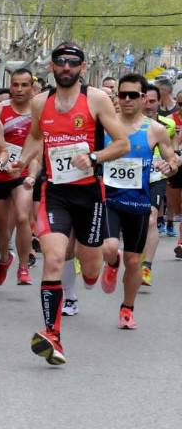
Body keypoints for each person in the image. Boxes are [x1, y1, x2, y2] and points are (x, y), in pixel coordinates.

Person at [11, 42, 129, 365]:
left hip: (90, 192)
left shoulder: (96, 99)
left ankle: (108, 266)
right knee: (53, 259)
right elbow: (36, 136)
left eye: (72, 62)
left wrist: (93, 156)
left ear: (82, 66)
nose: (66, 67)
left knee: (89, 270)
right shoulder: (40, 103)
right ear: (51, 66)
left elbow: (122, 143)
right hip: (55, 192)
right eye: (60, 62)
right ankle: (53, 335)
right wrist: (22, 162)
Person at [99, 73, 178, 329]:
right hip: (109, 198)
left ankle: (127, 309)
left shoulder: (155, 129)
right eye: (123, 95)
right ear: (117, 97)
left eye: (134, 95)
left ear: (144, 98)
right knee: (110, 247)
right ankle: (111, 263)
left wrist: (171, 166)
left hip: (138, 203)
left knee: (134, 261)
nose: (128, 100)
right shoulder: (105, 125)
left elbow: (172, 158)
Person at [0, 68, 38, 286]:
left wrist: (32, 174)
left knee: (22, 217)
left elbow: (38, 147)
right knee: (1, 228)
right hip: (0, 173)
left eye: (24, 85)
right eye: (15, 85)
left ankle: (23, 266)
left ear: (32, 87)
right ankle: (4, 258)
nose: (19, 89)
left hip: (23, 171)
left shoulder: (38, 111)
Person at [140, 84, 177, 283]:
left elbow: (173, 150)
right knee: (136, 221)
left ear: (159, 102)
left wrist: (172, 162)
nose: (148, 105)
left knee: (152, 218)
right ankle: (132, 256)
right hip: (132, 176)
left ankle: (146, 267)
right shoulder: (126, 124)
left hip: (155, 176)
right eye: (144, 100)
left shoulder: (166, 126)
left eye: (152, 101)